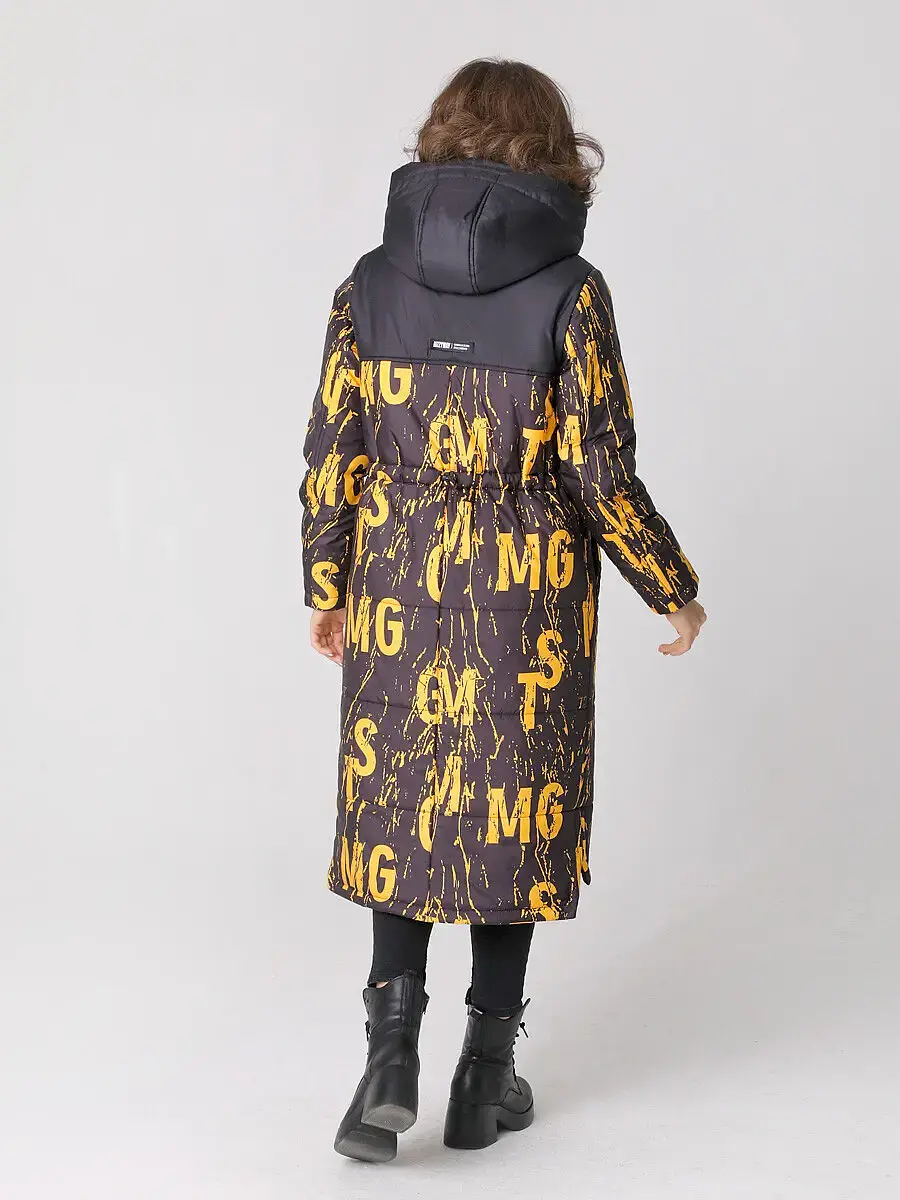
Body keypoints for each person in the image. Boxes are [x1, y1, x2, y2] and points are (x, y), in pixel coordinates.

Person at [299, 58, 707, 1163]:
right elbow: (600, 470)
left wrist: (327, 583)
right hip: (525, 593)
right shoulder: (573, 290)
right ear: (555, 153)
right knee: (509, 810)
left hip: (396, 576)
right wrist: (671, 586)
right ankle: (484, 1077)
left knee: (401, 802)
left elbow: (333, 449)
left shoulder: (368, 284)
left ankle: (387, 1061)